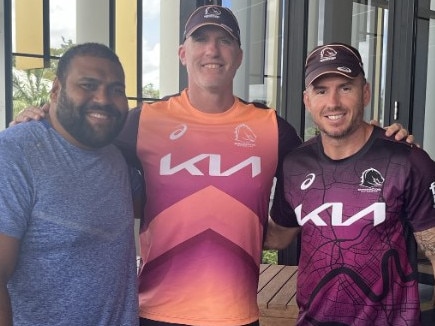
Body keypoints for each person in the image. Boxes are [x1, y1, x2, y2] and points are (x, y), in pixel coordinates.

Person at [9, 6, 412, 326]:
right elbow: (86, 139)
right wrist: (42, 117)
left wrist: (379, 139)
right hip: (154, 312)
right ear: (183, 53)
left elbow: (330, 159)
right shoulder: (142, 121)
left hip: (237, 315)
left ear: (238, 56)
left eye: (224, 41)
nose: (212, 49)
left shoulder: (273, 128)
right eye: (200, 39)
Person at [265, 42, 435, 325]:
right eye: (321, 90)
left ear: (365, 93)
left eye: (345, 87)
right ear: (307, 100)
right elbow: (279, 236)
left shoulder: (406, 160)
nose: (333, 102)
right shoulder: (295, 165)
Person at [0, 43, 139, 326]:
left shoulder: (116, 156)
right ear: (56, 90)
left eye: (116, 89)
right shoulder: (15, 154)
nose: (103, 98)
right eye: (88, 85)